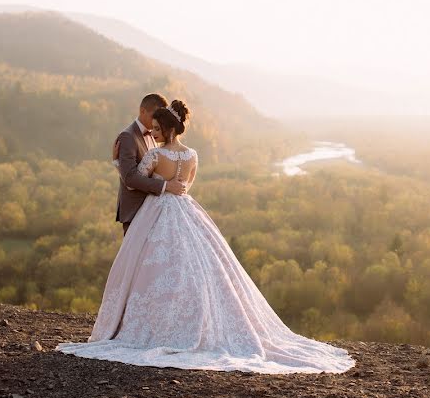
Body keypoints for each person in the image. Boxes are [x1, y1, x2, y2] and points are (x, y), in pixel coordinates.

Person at [55, 100, 355, 374]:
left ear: (167, 128)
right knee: (192, 268)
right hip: (185, 209)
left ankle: (151, 327)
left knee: (148, 269)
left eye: (158, 129)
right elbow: (188, 184)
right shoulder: (192, 154)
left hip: (157, 211)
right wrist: (175, 186)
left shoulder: (157, 154)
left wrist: (120, 164)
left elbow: (135, 177)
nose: (154, 133)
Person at [113, 93, 187, 236]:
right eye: (156, 114)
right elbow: (130, 177)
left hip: (153, 210)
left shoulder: (155, 136)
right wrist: (166, 186)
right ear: (143, 111)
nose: (159, 119)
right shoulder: (128, 136)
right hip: (135, 211)